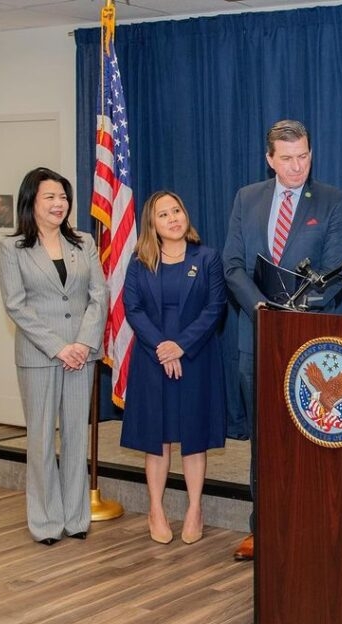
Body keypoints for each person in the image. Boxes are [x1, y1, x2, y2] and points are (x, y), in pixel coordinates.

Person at [223, 119, 342, 561]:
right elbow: (232, 265)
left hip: (309, 338)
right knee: (264, 439)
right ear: (270, 160)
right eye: (288, 159)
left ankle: (312, 528)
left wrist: (293, 312)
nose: (298, 167)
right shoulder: (247, 198)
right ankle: (264, 528)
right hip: (256, 335)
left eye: (304, 157)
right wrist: (261, 309)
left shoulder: (331, 200)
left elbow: (336, 273)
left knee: (311, 435)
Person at [0, 167, 108, 545]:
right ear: (32, 201)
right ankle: (45, 523)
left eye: (63, 197)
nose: (59, 203)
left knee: (76, 437)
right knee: (42, 439)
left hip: (82, 354)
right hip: (40, 356)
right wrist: (59, 347)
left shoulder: (84, 243)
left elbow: (99, 295)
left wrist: (82, 344)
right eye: (50, 197)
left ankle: (76, 519)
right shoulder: (12, 249)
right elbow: (16, 305)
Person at [120, 191, 227, 545]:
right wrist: (163, 348)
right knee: (158, 439)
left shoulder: (207, 257)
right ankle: (156, 508)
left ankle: (195, 508)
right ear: (152, 224)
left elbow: (215, 308)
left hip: (196, 356)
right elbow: (133, 309)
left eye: (177, 210)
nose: (173, 218)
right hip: (153, 359)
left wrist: (180, 345)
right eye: (163, 214)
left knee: (194, 439)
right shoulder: (139, 262)